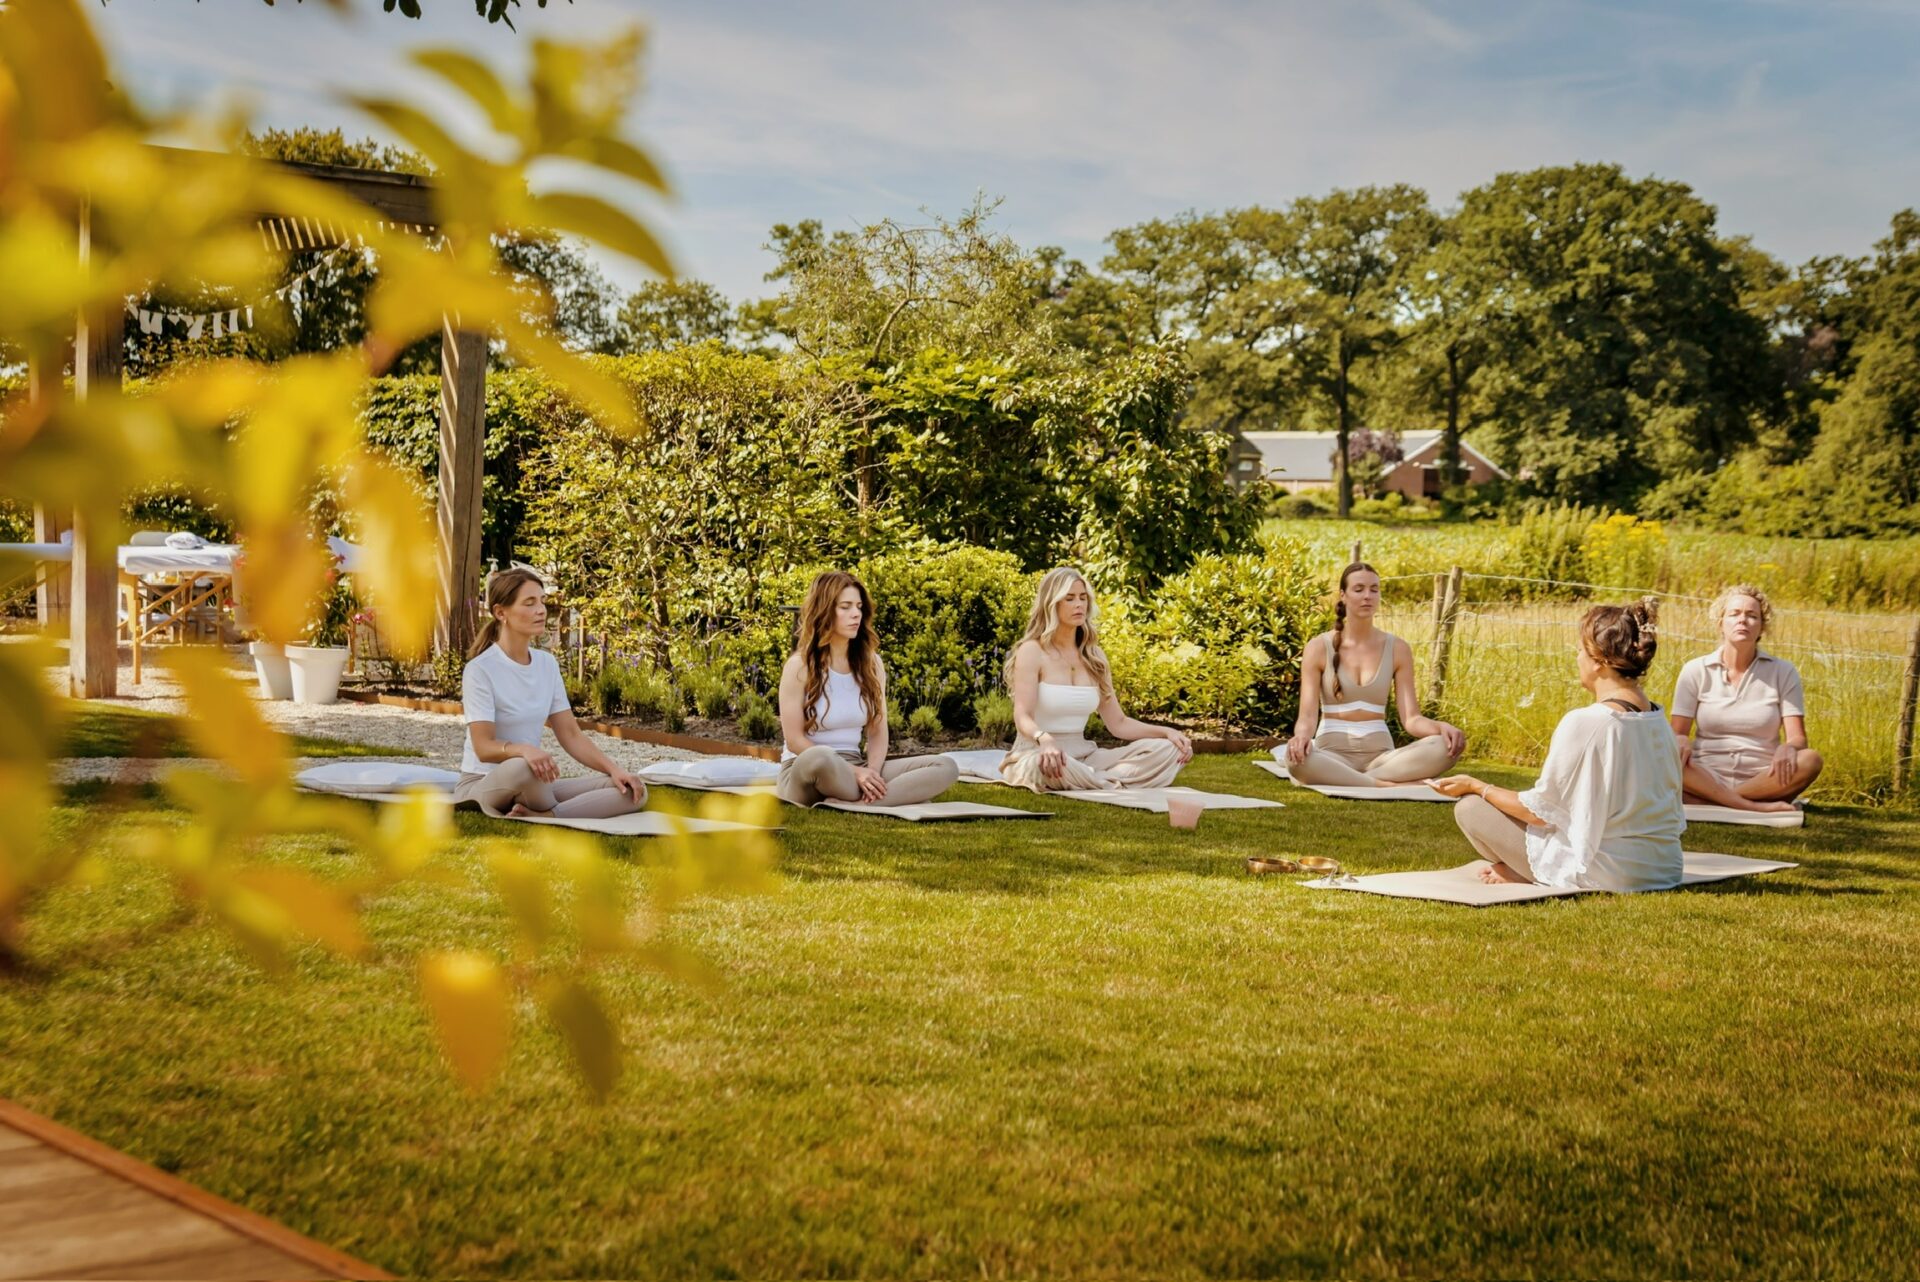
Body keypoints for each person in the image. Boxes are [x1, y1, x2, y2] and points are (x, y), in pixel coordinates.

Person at [1429, 600, 1683, 890]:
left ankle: (1523, 871)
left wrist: (1476, 786)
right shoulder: (1658, 719)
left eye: (1579, 651)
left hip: (1609, 874)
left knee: (1471, 809)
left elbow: (1538, 813)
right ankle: (1520, 867)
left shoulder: (1587, 721)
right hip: (1665, 867)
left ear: (1599, 660)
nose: (1576, 658)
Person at [454, 568, 647, 819]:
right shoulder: (480, 669)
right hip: (485, 782)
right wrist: (524, 750)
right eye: (530, 603)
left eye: (542, 601)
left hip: (534, 781)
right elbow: (483, 747)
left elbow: (570, 734)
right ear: (501, 612)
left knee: (633, 789)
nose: (541, 610)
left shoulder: (547, 664)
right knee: (522, 769)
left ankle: (547, 815)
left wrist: (615, 769)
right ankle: (549, 808)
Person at [776, 571, 960, 807]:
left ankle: (862, 801)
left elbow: (877, 730)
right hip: (807, 768)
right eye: (845, 607)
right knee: (820, 757)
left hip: (855, 765)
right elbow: (794, 741)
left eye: (859, 607)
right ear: (824, 611)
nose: (856, 614)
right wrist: (855, 773)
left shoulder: (871, 663)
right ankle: (893, 796)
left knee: (946, 767)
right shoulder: (799, 666)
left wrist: (871, 772)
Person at [1000, 566, 1192, 792]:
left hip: (1085, 757)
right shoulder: (1032, 651)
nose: (1079, 604)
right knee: (1047, 766)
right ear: (1051, 604)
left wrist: (1167, 732)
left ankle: (1094, 780)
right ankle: (1106, 782)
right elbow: (1022, 716)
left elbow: (1118, 724)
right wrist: (1044, 739)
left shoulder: (1094, 656)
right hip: (1037, 753)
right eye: (1069, 598)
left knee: (1168, 750)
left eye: (1083, 598)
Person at [1284, 562, 1465, 787]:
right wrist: (1301, 737)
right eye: (1359, 589)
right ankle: (1385, 785)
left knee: (1444, 747)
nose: (1367, 596)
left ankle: (1357, 780)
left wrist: (1440, 727)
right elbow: (1307, 717)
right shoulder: (1318, 647)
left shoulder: (1398, 648)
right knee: (1295, 761)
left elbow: (1411, 719)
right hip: (1332, 755)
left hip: (1383, 759)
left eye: (1374, 589)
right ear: (1343, 595)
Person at [1670, 585, 1821, 812]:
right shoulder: (1695, 670)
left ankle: (1716, 801)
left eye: (1752, 616)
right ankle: (1751, 805)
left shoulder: (1783, 671)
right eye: (1734, 614)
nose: (1743, 620)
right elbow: (1676, 733)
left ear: (1761, 627)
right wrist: (1679, 740)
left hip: (1764, 776)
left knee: (1811, 760)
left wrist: (1789, 747)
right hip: (1704, 773)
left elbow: (1798, 738)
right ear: (1721, 623)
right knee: (1658, 754)